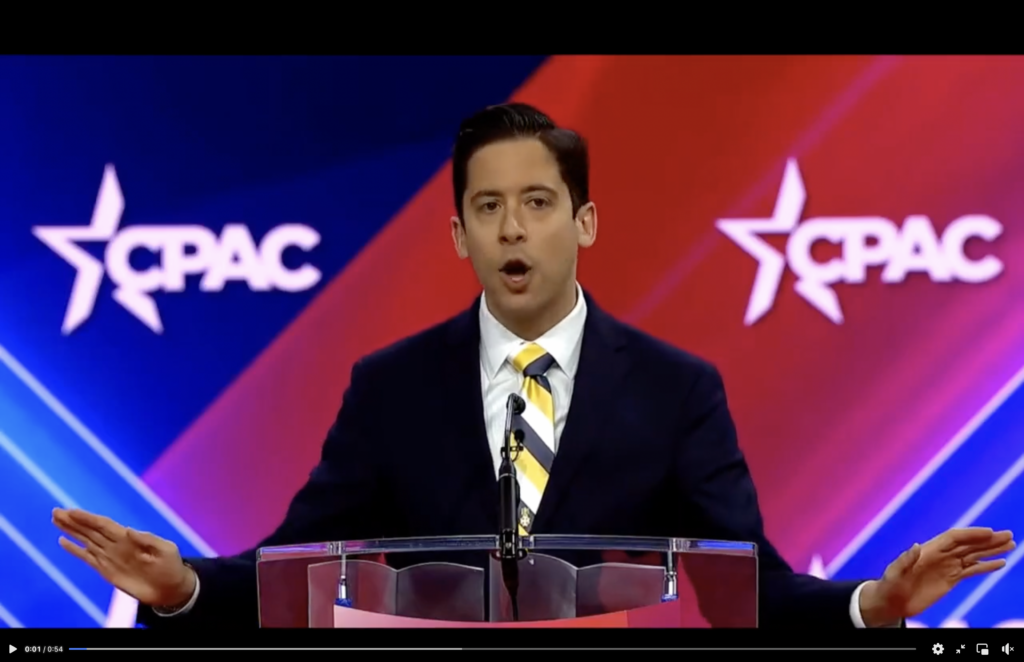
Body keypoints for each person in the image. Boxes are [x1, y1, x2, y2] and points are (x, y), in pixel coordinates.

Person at [53, 103, 1014, 629]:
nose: (514, 228)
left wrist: (870, 605)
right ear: (461, 233)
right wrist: (182, 588)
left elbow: (747, 590)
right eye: (488, 208)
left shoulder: (679, 389)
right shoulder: (391, 388)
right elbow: (296, 571)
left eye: (540, 203)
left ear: (584, 221)